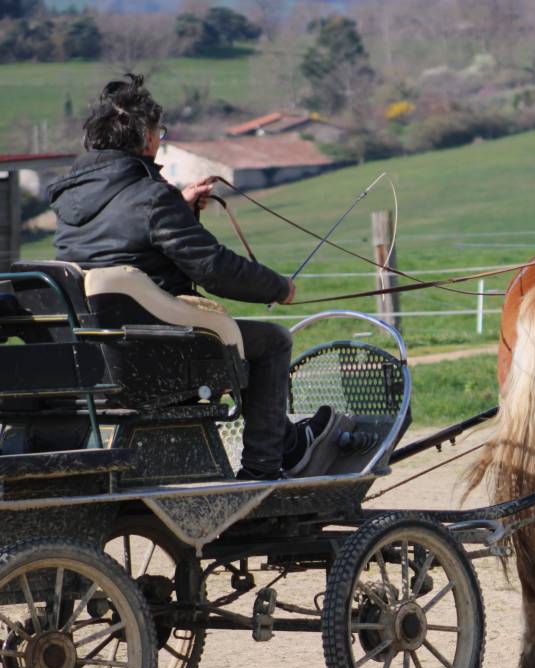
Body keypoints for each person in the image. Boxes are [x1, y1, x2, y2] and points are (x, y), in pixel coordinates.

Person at [48, 73, 332, 480]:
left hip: (95, 351)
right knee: (271, 341)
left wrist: (178, 208)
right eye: (158, 133)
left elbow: (118, 235)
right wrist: (279, 287)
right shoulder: (150, 196)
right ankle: (265, 466)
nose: (159, 142)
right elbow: (212, 268)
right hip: (152, 350)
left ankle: (287, 439)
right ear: (146, 138)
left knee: (237, 340)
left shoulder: (72, 198)